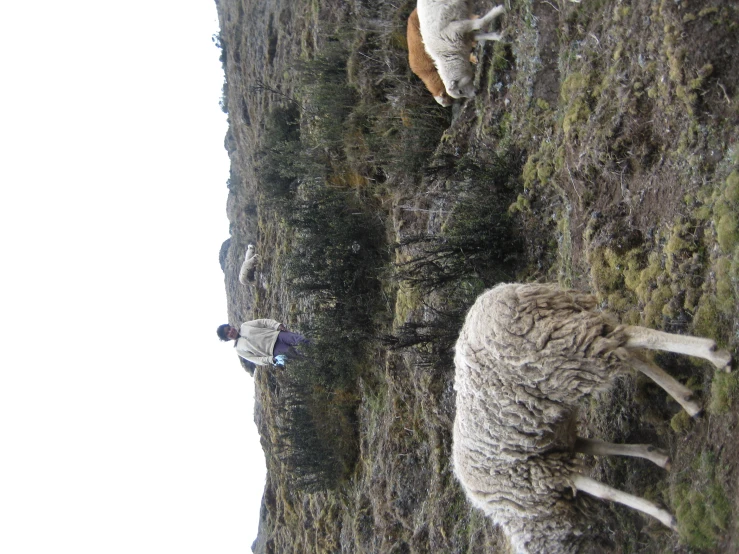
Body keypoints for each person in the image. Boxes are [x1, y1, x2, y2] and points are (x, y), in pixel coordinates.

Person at [216, 319, 310, 367]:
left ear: (231, 326)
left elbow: (262, 322)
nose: (230, 332)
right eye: (227, 334)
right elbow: (255, 359)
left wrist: (277, 325)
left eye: (229, 329)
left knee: (301, 340)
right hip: (274, 351)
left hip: (277, 335)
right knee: (299, 355)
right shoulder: (239, 350)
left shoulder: (244, 326)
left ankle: (321, 346)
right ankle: (318, 361)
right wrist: (270, 360)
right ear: (227, 338)